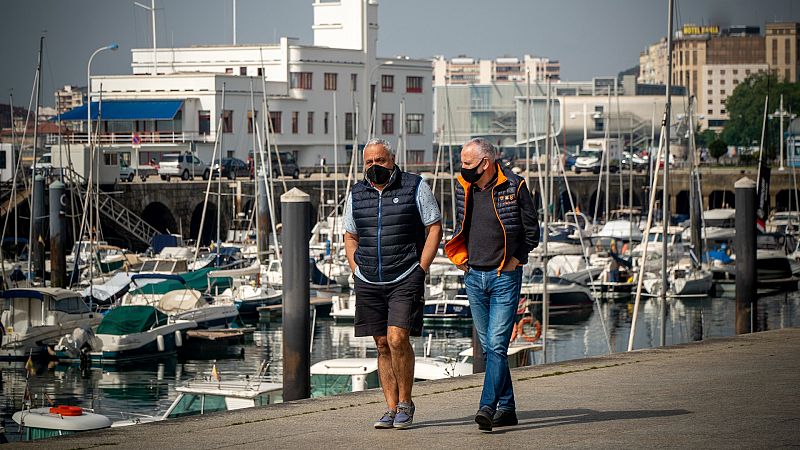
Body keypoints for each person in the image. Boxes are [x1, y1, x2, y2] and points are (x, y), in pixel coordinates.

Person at [343, 138, 443, 429]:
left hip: (404, 276)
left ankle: (406, 403)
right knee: (382, 343)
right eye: (369, 162)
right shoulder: (356, 193)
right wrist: (355, 267)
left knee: (399, 338)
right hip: (368, 279)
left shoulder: (415, 186)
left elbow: (434, 226)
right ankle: (390, 408)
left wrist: (420, 269)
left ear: (392, 159)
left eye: (380, 161)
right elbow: (350, 235)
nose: (375, 166)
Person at [444, 137, 540, 432]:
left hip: (503, 276)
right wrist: (460, 258)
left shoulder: (515, 185)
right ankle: (507, 408)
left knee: (497, 345)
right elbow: (461, 224)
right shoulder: (465, 187)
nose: (463, 169)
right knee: (490, 348)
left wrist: (517, 258)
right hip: (474, 275)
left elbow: (532, 231)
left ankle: (487, 405)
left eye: (468, 164)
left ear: (485, 163)